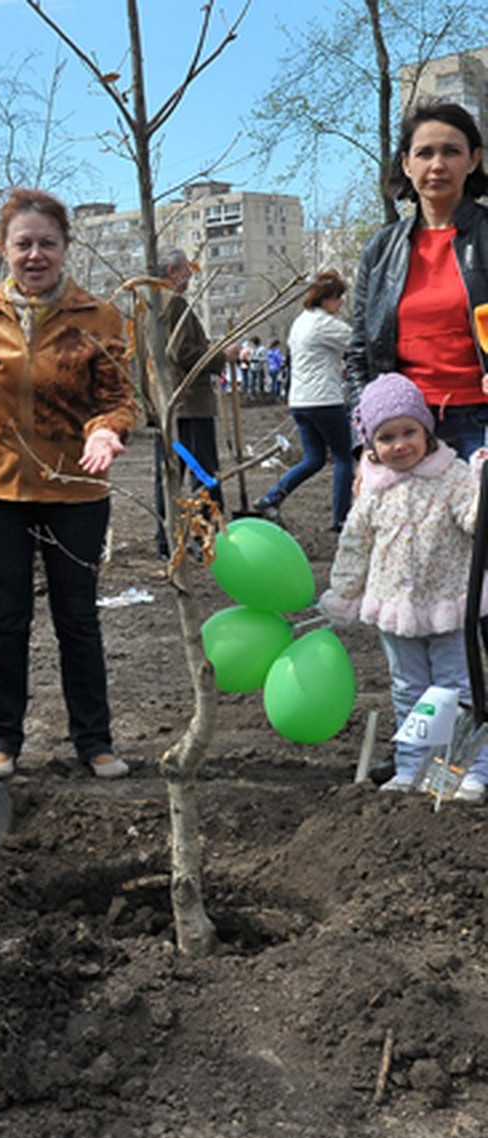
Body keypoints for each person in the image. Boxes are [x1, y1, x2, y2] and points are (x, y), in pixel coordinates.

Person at [0, 188, 138, 781]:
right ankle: (2, 740)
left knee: (78, 618)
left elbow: (120, 400)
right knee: (6, 618)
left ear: (65, 248)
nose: (35, 254)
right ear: (4, 248)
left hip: (77, 492)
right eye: (23, 243)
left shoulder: (98, 318)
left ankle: (95, 742)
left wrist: (105, 430)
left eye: (47, 243)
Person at [319, 373, 488, 798]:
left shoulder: (450, 476)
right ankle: (413, 766)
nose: (400, 445)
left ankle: (465, 767)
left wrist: (483, 483)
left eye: (409, 432)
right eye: (387, 437)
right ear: (371, 444)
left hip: (448, 603)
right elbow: (355, 544)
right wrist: (344, 591)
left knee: (456, 688)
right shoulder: (373, 490)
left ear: (426, 430)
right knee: (409, 690)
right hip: (394, 606)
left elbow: (474, 521)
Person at [348, 101, 488, 459]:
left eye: (451, 152)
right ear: (407, 164)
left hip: (481, 427)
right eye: (425, 153)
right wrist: (365, 442)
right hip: (405, 432)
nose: (437, 165)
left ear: (473, 160)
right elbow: (359, 357)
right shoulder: (381, 250)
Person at [253, 270, 354, 531]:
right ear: (325, 299)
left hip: (299, 401)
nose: (340, 303)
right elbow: (358, 341)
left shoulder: (300, 322)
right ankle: (342, 517)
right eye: (337, 298)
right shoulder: (325, 323)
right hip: (325, 400)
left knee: (314, 459)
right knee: (343, 457)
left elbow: (317, 358)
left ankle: (272, 497)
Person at [150, 248, 227, 559]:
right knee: (202, 470)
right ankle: (206, 535)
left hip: (166, 406)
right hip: (188, 406)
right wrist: (222, 356)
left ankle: (166, 539)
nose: (191, 277)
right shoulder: (174, 303)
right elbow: (180, 352)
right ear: (172, 272)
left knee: (169, 472)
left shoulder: (148, 306)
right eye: (186, 270)